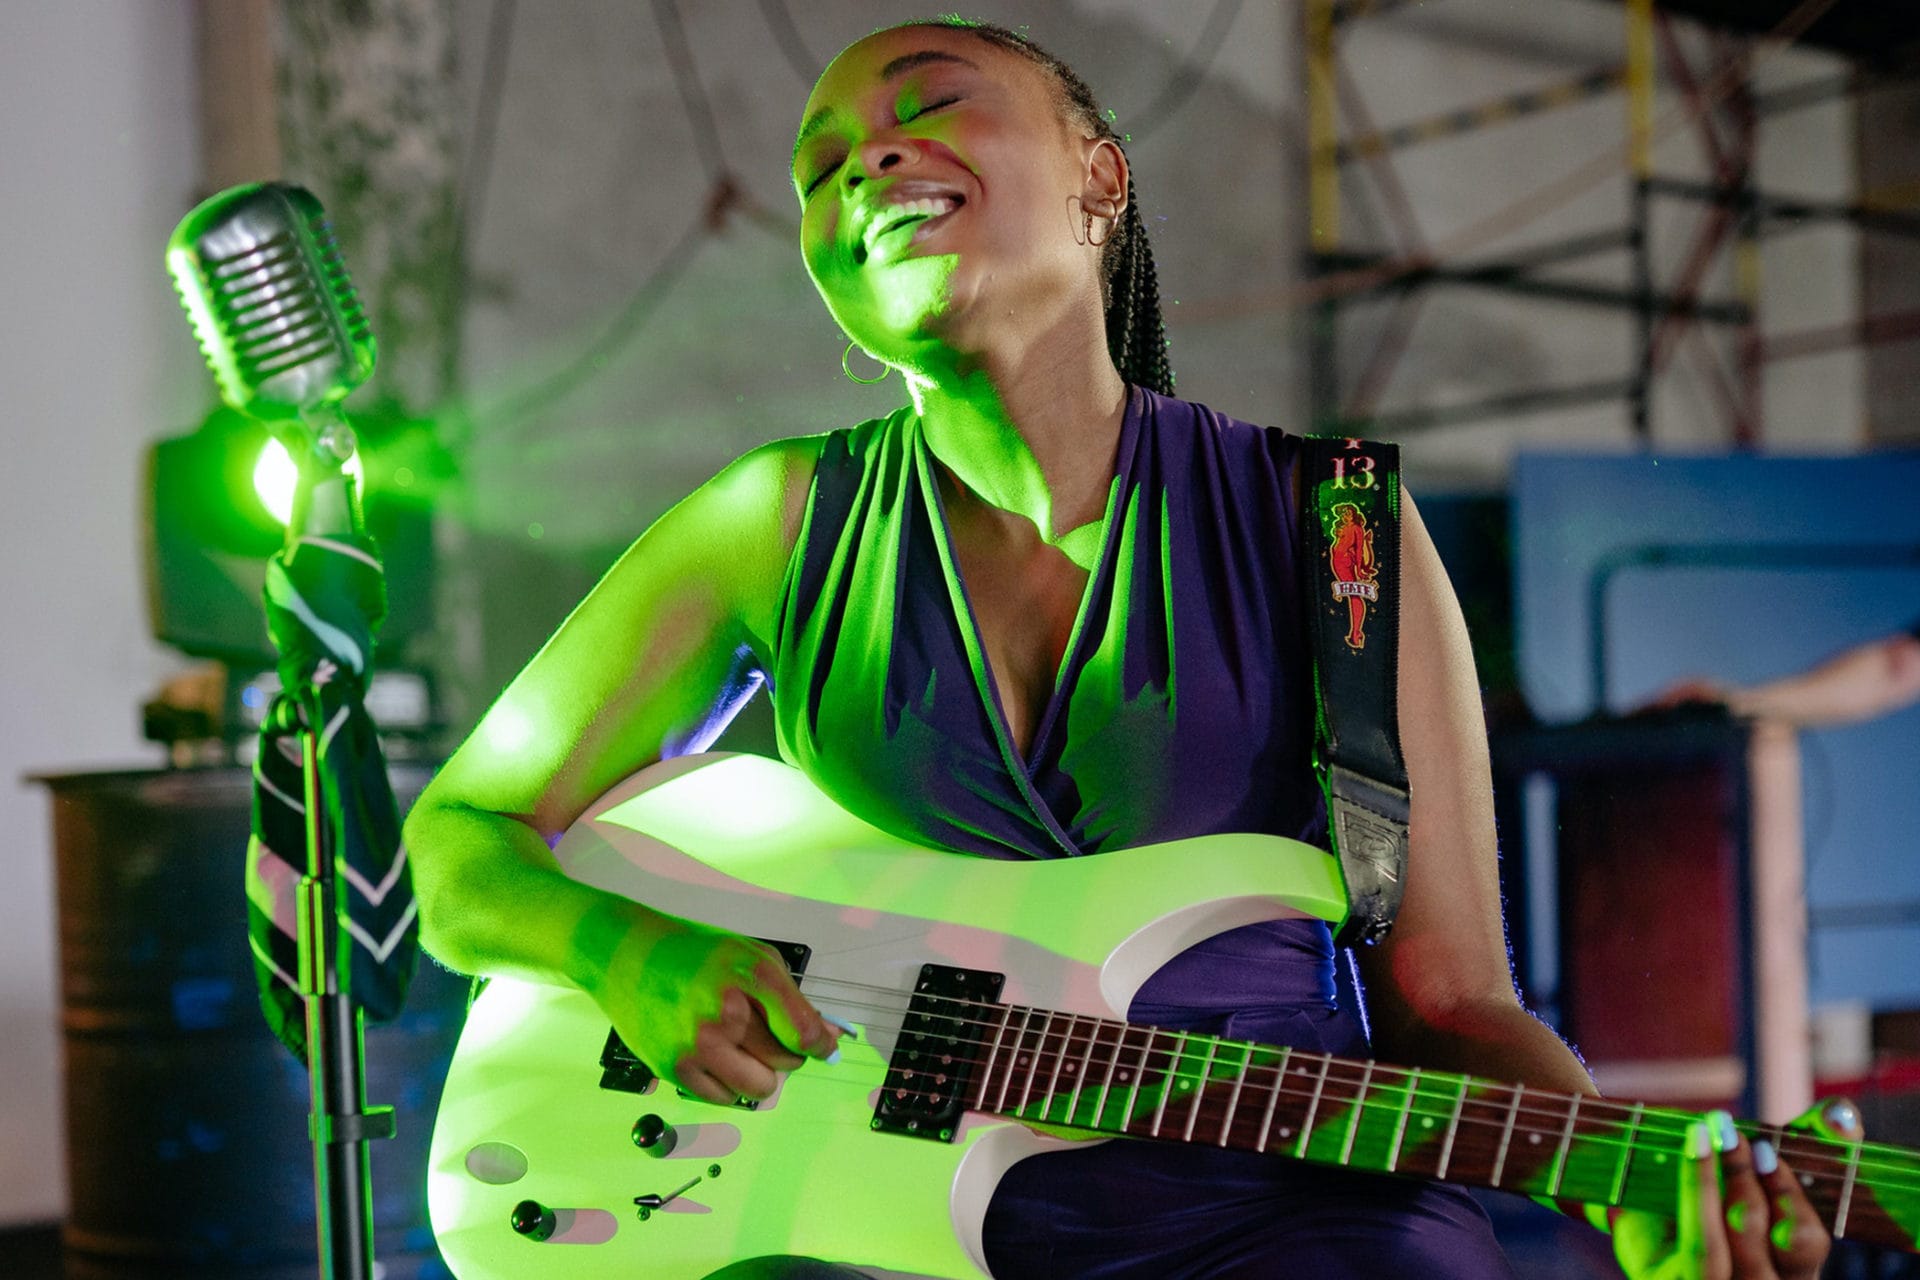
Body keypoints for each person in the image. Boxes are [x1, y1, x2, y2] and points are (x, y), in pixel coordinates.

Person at [404, 17, 1849, 1279]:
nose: (867, 162)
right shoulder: (767, 523)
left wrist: (1620, 1186)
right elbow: (462, 843)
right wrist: (628, 951)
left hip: (1288, 1217)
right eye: (821, 165)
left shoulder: (1335, 526)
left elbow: (1454, 999)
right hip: (857, 1223)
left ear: (1100, 173)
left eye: (925, 104)